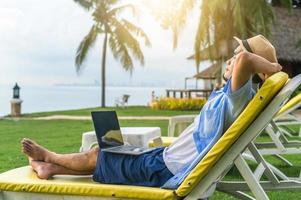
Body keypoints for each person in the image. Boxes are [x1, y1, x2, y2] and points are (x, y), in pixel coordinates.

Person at [21, 35, 282, 187]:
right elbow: (245, 61)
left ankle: (50, 156)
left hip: (166, 169)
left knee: (99, 154)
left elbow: (247, 60)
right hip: (165, 158)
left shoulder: (240, 97)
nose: (231, 60)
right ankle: (51, 170)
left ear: (252, 73)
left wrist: (273, 68)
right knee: (111, 154)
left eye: (236, 57)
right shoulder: (231, 96)